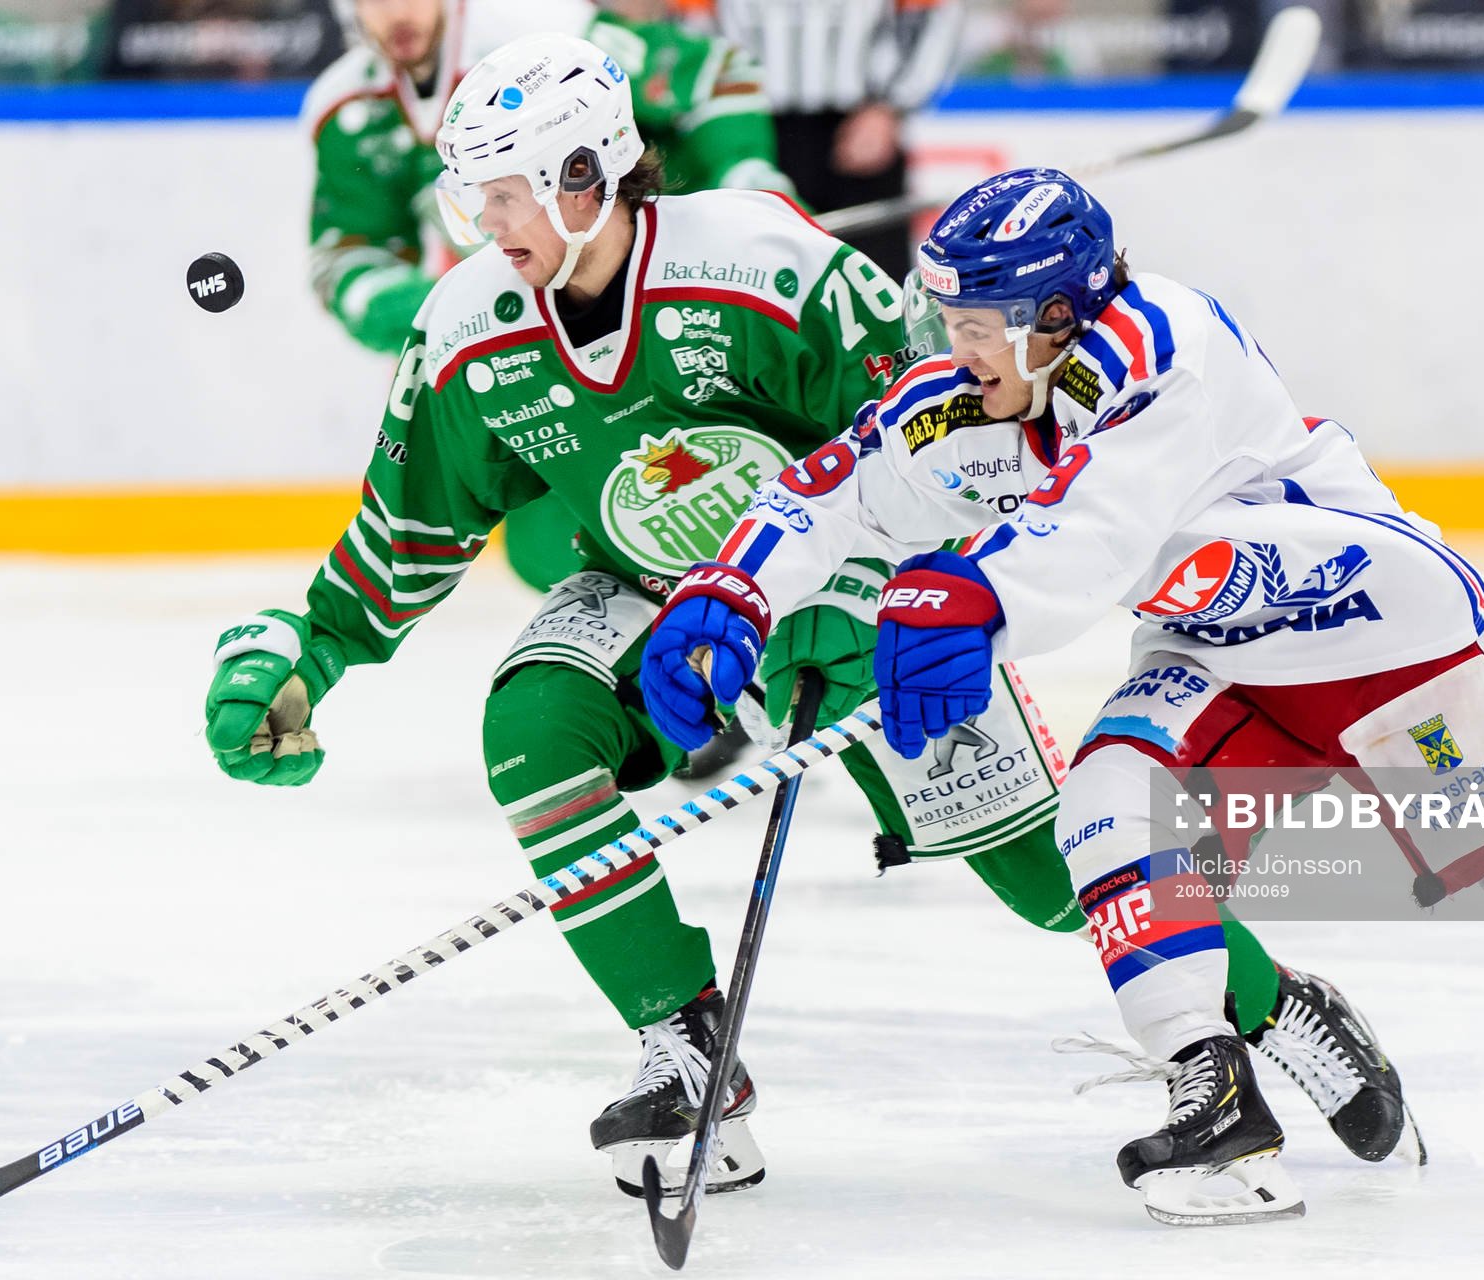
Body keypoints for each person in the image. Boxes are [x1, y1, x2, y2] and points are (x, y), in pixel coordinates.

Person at [637, 167, 1484, 1222]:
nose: (950, 352)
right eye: (947, 322)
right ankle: (1214, 1097)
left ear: (1058, 315)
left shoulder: (1166, 349)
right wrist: (734, 592)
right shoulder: (971, 393)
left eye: (977, 326)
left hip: (1383, 635)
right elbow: (834, 487)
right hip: (1220, 654)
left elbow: (1096, 538)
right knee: (1106, 811)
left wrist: (965, 595)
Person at [205, 33, 1083, 1200]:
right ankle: (686, 1043)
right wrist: (313, 650)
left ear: (586, 176)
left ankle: (1265, 1011)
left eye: (506, 193)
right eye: (472, 194)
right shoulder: (472, 327)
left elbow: (953, 441)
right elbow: (409, 530)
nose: (482, 224)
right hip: (653, 590)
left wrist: (904, 592)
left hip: (849, 583)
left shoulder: (768, 264)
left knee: (1056, 883)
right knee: (536, 725)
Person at [307, 0, 791, 594]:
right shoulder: (350, 111)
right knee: (550, 549)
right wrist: (446, 314)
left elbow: (714, 71)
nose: (394, 13)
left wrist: (746, 175)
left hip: (678, 308)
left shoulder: (544, 39)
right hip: (548, 335)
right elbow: (348, 254)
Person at [688, 0, 967, 282]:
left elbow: (937, 15)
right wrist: (715, 109)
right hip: (750, 120)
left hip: (859, 120)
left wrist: (889, 108)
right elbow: (692, 20)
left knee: (872, 277)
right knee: (757, 272)